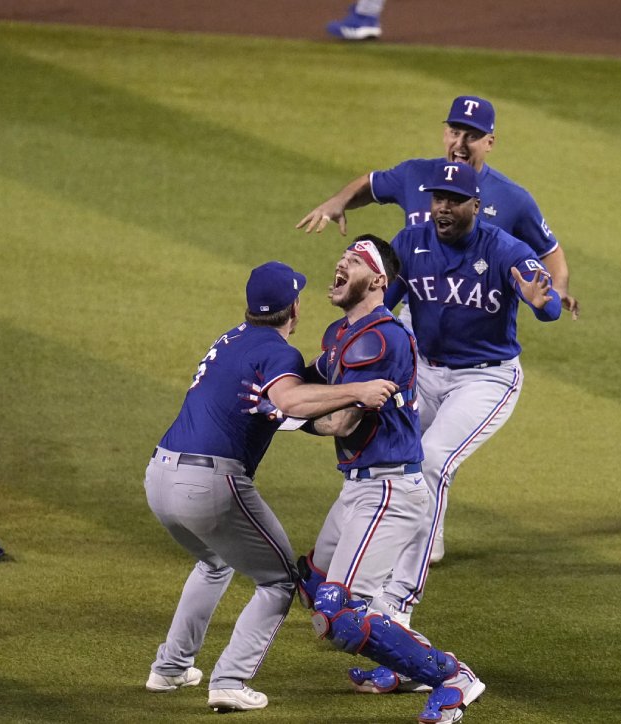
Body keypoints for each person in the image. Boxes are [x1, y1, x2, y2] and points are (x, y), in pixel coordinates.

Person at [143, 261, 396, 712]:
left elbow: (284, 412)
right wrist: (359, 390)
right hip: (209, 483)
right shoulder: (280, 355)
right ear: (294, 308)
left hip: (160, 476)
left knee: (215, 562)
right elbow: (289, 399)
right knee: (280, 580)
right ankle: (229, 680)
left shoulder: (231, 339)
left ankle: (170, 668)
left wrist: (327, 389)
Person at [268, 237, 486, 722]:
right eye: (343, 259)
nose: (341, 264)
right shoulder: (340, 334)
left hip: (389, 491)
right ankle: (404, 665)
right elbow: (309, 381)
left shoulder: (380, 338)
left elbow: (340, 421)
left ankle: (452, 677)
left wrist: (283, 412)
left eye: (356, 262)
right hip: (359, 487)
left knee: (339, 615)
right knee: (314, 584)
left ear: (380, 282)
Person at [299, 95, 580, 322]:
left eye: (471, 136)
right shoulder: (415, 174)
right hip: (420, 311)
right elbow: (372, 185)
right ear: (445, 133)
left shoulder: (514, 198)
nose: (460, 143)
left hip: (480, 316)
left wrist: (557, 290)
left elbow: (549, 251)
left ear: (489, 142)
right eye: (455, 132)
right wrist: (337, 202)